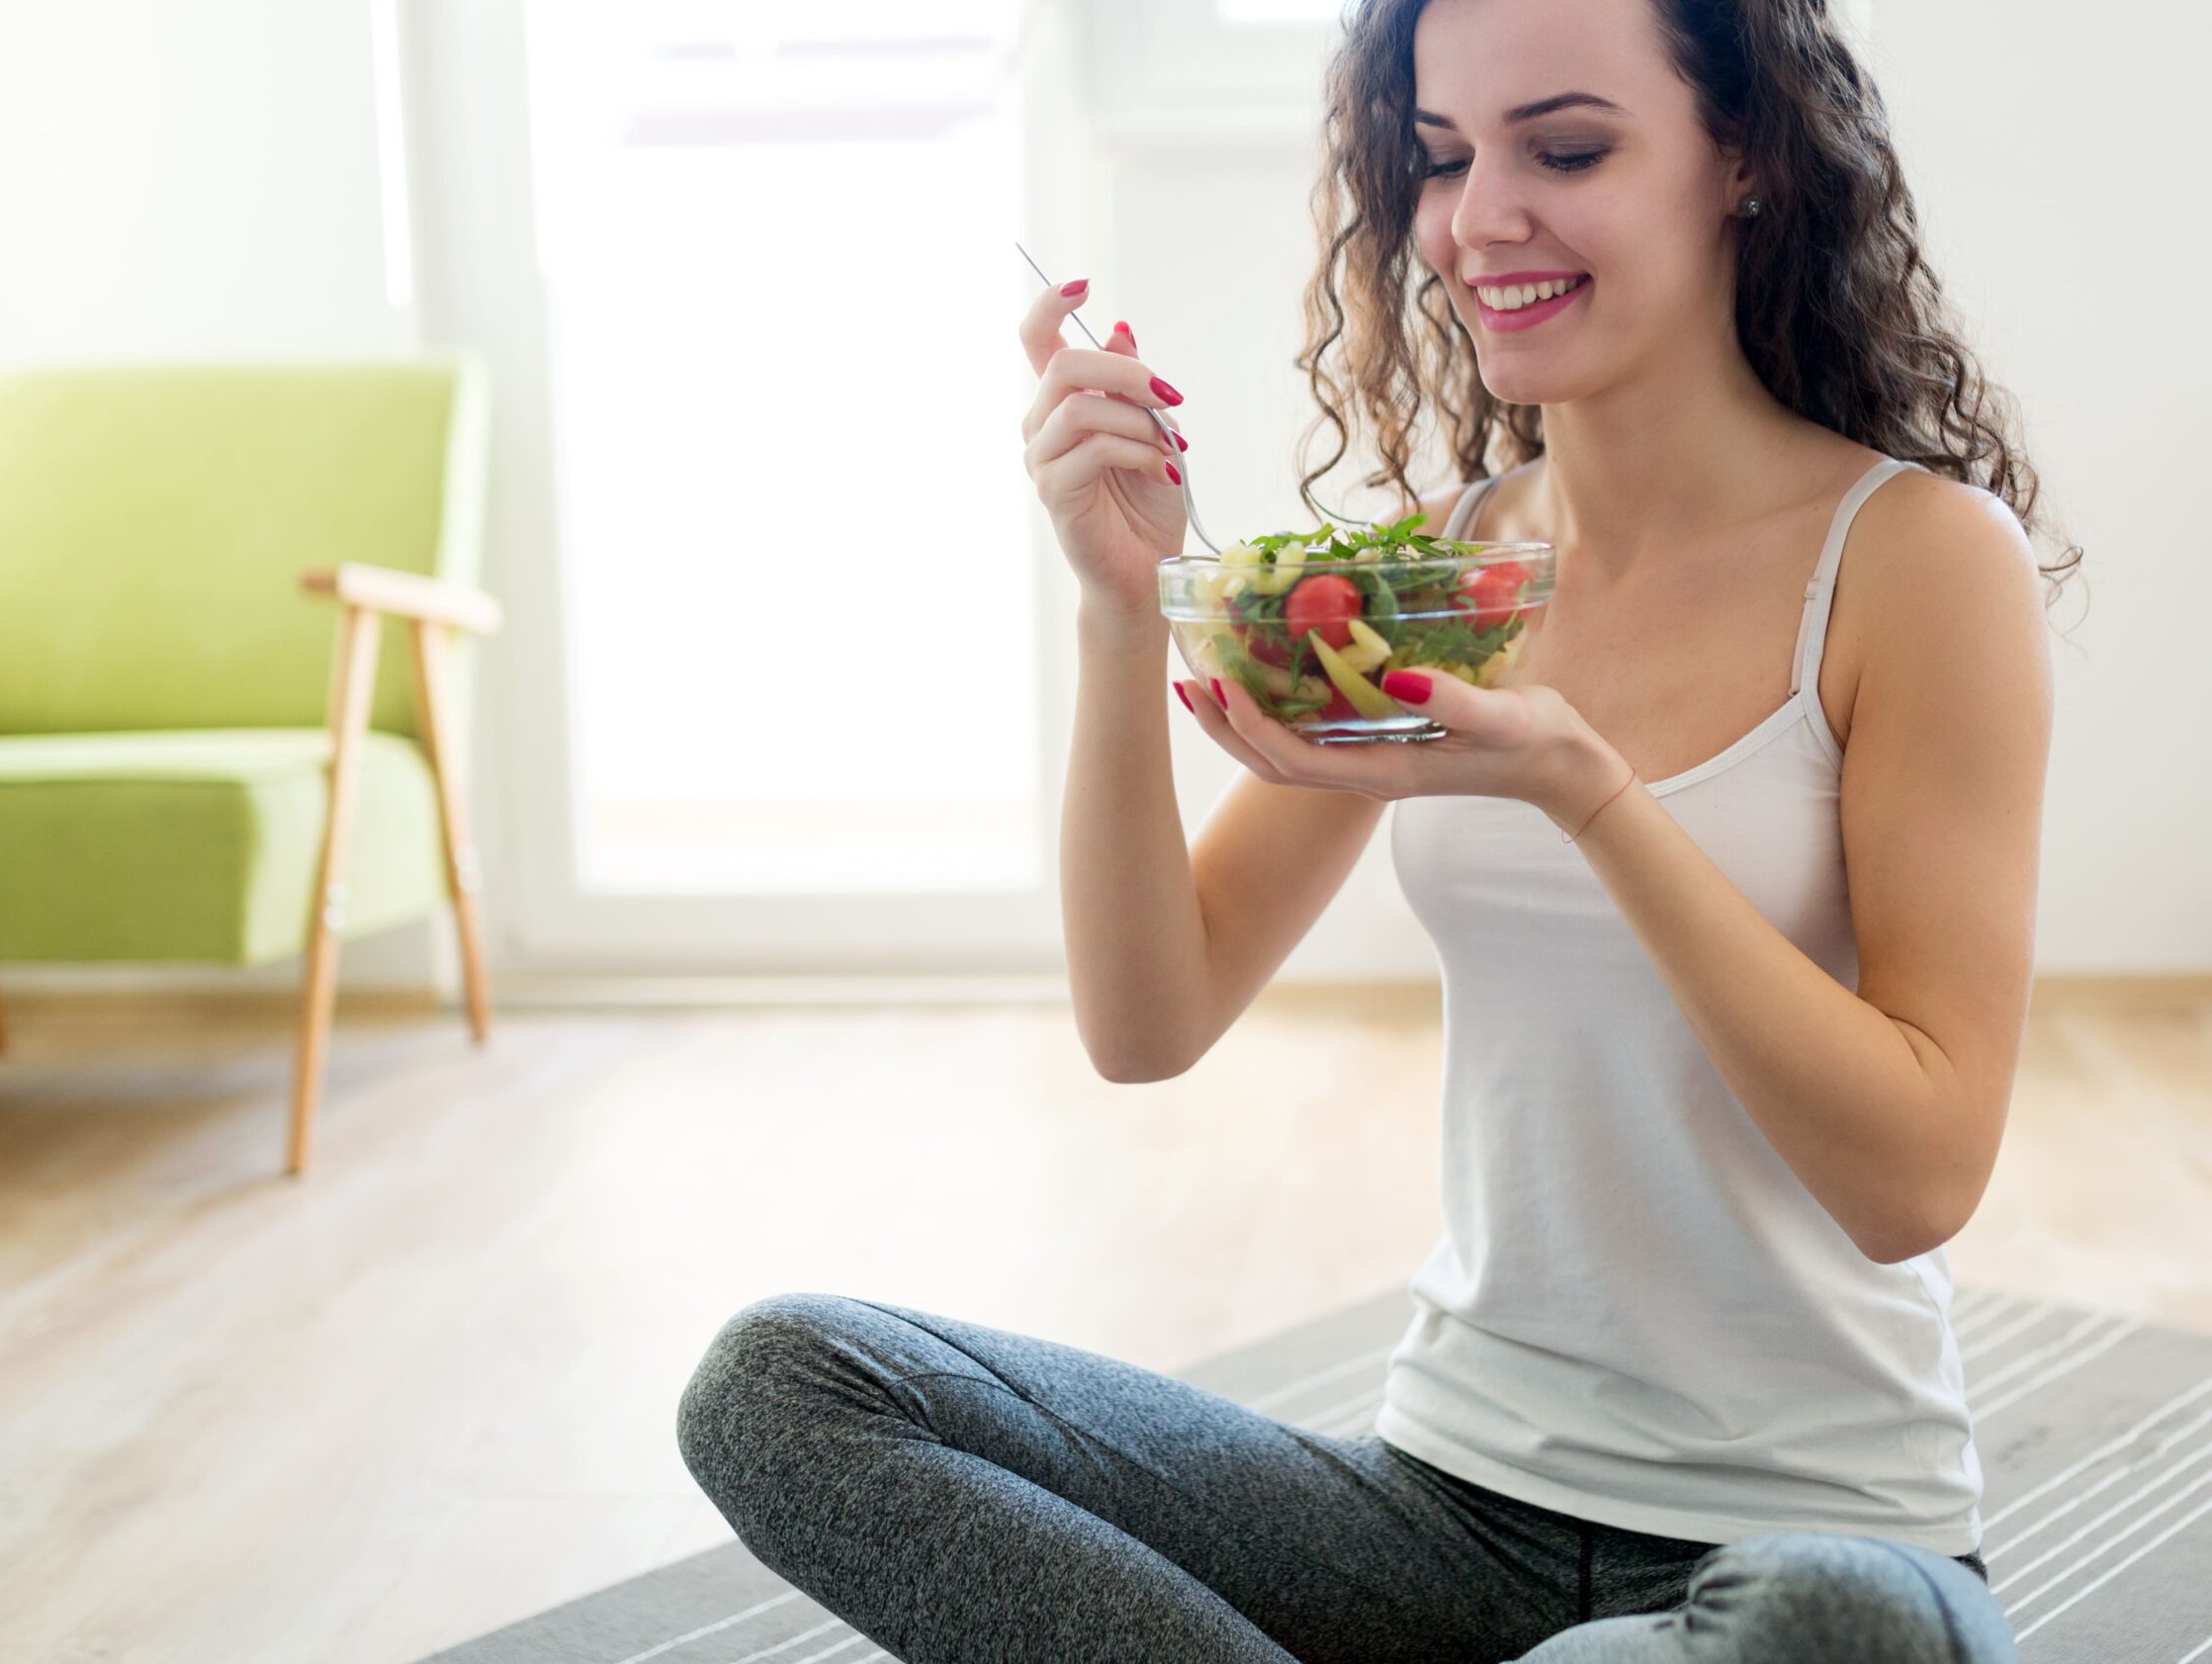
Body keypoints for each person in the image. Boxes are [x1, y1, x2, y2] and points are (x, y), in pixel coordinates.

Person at [674, 0, 2069, 1655]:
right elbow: (1150, 1017)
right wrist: (1124, 613)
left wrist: (1590, 796)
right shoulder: (1438, 572)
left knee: (1844, 1629)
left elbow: (1917, 1177)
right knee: (785, 1385)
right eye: (1438, 158)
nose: (1481, 220)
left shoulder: (1914, 561)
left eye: (1566, 148)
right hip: (1445, 1513)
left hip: (1807, 1539)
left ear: (1747, 158)